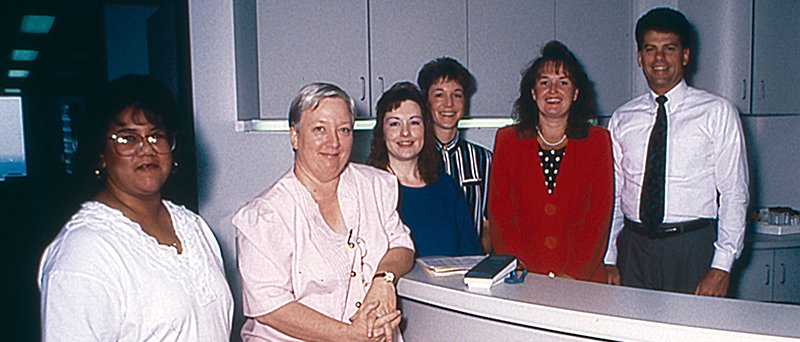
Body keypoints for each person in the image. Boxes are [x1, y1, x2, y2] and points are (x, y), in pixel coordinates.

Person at [37, 75, 233, 340]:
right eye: (127, 138)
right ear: (100, 155)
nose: (145, 149)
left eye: (156, 136)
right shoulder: (83, 252)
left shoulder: (192, 227)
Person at [233, 83, 415, 341]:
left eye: (344, 130)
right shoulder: (265, 215)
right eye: (320, 129)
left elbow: (402, 246)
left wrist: (383, 281)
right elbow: (270, 308)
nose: (334, 142)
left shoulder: (375, 185)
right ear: (295, 136)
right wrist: (350, 335)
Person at [603, 8, 749, 296]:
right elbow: (616, 195)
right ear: (640, 58)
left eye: (669, 49)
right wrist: (609, 258)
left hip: (691, 248)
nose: (659, 59)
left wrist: (721, 266)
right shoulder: (622, 118)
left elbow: (735, 193)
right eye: (650, 49)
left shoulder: (717, 112)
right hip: (633, 249)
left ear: (685, 55)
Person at [488, 41, 613, 282]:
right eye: (544, 82)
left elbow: (599, 216)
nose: (553, 90)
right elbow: (500, 215)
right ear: (533, 93)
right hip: (523, 278)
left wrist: (574, 274)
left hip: (582, 280)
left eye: (563, 82)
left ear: (576, 93)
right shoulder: (507, 140)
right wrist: (519, 269)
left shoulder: (597, 141)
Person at [367, 82, 482, 258]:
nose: (405, 133)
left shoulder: (447, 188)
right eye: (394, 124)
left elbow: (472, 257)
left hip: (447, 286)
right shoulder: (367, 189)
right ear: (382, 132)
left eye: (414, 122)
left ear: (425, 129)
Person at [417, 57, 493, 253]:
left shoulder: (484, 160)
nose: (449, 104)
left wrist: (478, 264)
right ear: (426, 101)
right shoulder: (410, 160)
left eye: (457, 95)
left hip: (470, 268)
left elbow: (488, 224)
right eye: (439, 95)